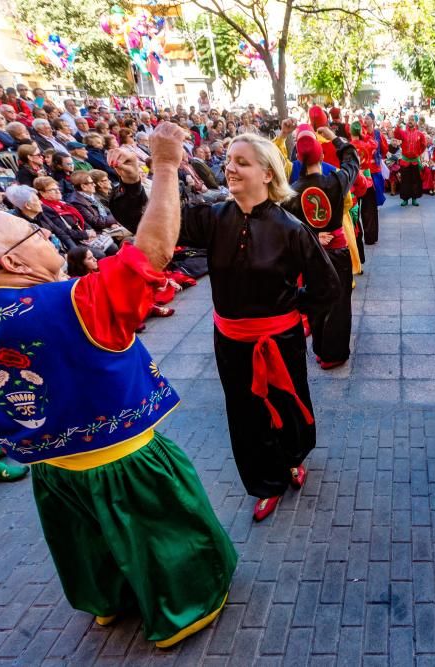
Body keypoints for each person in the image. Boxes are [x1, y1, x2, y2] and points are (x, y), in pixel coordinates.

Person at [0, 122, 238, 648]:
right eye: (36, 234)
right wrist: (164, 164)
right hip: (129, 460)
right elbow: (152, 252)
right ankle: (181, 611)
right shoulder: (77, 300)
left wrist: (37, 429)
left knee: (90, 546)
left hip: (54, 473)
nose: (47, 235)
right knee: (168, 537)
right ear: (13, 261)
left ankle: (110, 604)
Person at [140, 132, 340, 523]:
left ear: (267, 174)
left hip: (281, 338)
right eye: (229, 160)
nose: (230, 167)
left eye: (242, 162)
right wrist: (140, 181)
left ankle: (294, 458)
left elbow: (327, 285)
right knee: (244, 413)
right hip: (231, 341)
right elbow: (158, 226)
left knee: (288, 399)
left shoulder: (290, 227)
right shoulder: (212, 218)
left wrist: (294, 314)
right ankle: (266, 483)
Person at [283, 125, 360, 371]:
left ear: (298, 159)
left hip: (311, 255)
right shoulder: (336, 181)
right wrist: (334, 138)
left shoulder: (291, 192)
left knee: (316, 299)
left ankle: (321, 349)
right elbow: (352, 160)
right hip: (337, 251)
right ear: (323, 156)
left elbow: (285, 226)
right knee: (339, 303)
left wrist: (313, 235)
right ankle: (334, 353)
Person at [393, 116, 427, 207]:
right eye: (409, 120)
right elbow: (396, 134)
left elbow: (424, 145)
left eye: (412, 120)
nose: (410, 121)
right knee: (405, 181)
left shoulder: (420, 134)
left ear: (416, 122)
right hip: (405, 162)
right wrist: (398, 124)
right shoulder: (403, 133)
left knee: (415, 181)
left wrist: (418, 153)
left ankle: (414, 199)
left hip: (415, 161)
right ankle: (405, 199)